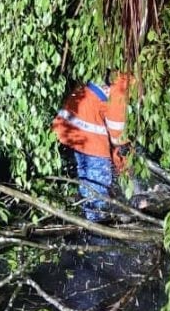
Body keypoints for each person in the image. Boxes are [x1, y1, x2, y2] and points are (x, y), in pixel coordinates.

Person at [51, 71, 131, 222]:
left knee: (87, 179)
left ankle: (89, 215)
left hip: (71, 125)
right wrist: (123, 168)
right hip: (90, 133)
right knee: (98, 182)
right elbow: (118, 137)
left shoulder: (119, 74)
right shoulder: (123, 87)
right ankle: (97, 225)